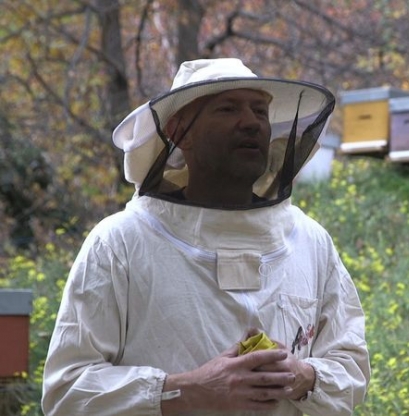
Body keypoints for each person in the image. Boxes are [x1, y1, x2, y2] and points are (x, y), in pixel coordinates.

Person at [41, 58, 370, 416]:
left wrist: (303, 376)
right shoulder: (120, 243)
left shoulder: (310, 242)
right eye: (228, 109)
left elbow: (350, 367)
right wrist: (186, 391)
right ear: (180, 132)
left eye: (260, 111)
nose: (251, 123)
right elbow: (67, 391)